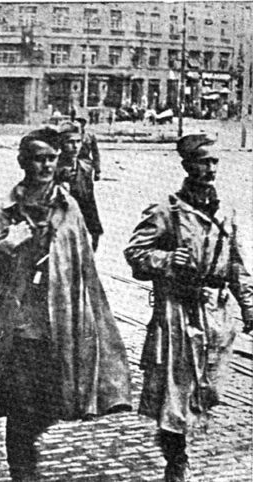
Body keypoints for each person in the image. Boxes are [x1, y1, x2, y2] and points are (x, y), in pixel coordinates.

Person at [0, 127, 131, 481]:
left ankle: (25, 461)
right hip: (19, 328)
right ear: (23, 161)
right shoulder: (3, 211)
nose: (45, 165)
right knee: (21, 411)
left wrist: (95, 327)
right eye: (38, 158)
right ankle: (23, 474)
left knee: (48, 406)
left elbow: (86, 270)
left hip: (59, 327)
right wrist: (8, 244)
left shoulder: (69, 208)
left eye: (51, 159)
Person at [124, 134, 253, 482]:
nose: (209, 169)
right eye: (202, 162)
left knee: (207, 391)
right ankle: (175, 462)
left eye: (214, 162)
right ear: (187, 165)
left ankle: (177, 453)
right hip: (177, 314)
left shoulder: (226, 211)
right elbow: (134, 254)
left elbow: (235, 263)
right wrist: (166, 258)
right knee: (175, 394)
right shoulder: (168, 211)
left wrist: (249, 304)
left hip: (216, 314)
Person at [57, 121, 103, 251]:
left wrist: (95, 232)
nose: (75, 146)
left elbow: (89, 203)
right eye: (70, 142)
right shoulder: (52, 168)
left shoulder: (85, 168)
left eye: (78, 142)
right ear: (61, 143)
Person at [74, 116, 101, 181]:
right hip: (72, 163)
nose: (80, 123)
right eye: (78, 121)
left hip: (86, 163)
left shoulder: (90, 136)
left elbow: (95, 153)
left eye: (82, 121)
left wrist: (97, 170)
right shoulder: (70, 135)